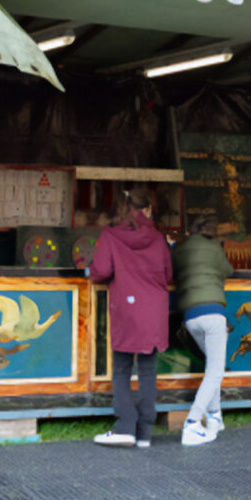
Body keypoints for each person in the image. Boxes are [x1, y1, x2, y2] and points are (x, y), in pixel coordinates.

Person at [89, 187, 172, 448]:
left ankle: (125, 425)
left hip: (127, 307)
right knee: (148, 370)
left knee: (122, 368)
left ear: (123, 209)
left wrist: (89, 270)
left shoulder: (111, 236)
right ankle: (145, 431)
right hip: (154, 311)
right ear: (146, 209)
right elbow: (168, 274)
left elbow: (100, 271)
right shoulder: (158, 239)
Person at [171, 214, 234, 446]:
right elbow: (228, 270)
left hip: (190, 317)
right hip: (213, 313)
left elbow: (170, 270)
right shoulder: (215, 247)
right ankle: (192, 423)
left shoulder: (178, 248)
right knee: (216, 371)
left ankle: (215, 418)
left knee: (211, 367)